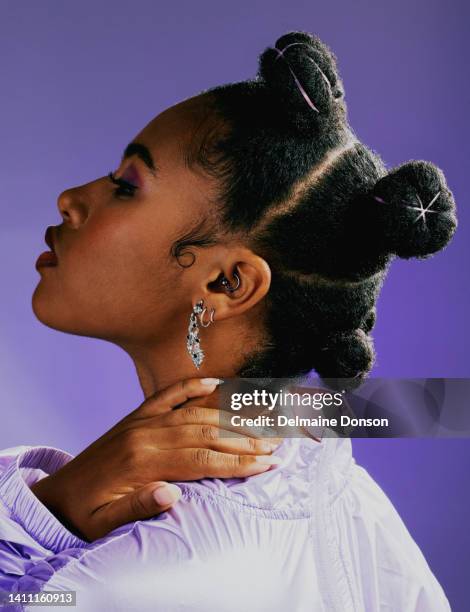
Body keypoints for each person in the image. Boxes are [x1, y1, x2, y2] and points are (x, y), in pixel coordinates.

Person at [0, 30, 456, 611]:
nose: (70, 198)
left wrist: (45, 511)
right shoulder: (339, 489)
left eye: (125, 186)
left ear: (226, 283)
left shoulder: (140, 569)